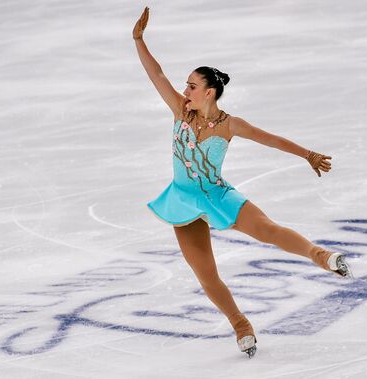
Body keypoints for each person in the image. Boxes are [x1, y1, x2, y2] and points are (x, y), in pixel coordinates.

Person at [132, 7, 352, 358]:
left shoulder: (230, 125)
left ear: (209, 92)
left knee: (266, 228)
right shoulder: (179, 111)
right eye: (186, 85)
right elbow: (155, 73)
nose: (184, 90)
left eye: (191, 85)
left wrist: (308, 154)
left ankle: (320, 255)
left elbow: (272, 140)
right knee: (205, 273)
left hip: (217, 195)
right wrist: (139, 40)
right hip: (183, 200)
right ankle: (240, 324)